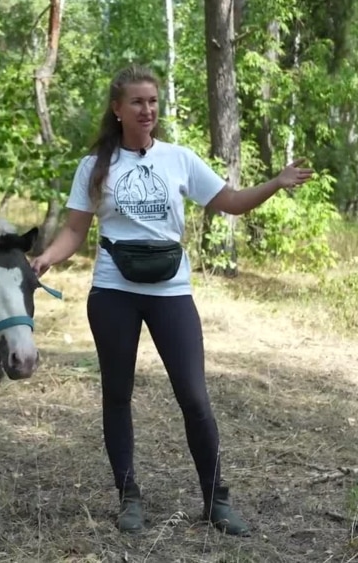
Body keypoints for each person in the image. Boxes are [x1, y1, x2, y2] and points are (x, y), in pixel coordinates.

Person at [30, 64, 315, 537]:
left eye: (153, 101)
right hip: (113, 293)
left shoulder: (179, 159)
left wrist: (275, 182)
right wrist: (46, 260)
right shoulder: (94, 166)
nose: (148, 110)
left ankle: (216, 500)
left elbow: (232, 202)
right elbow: (76, 230)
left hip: (170, 292)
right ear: (118, 109)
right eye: (138, 102)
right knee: (117, 396)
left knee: (194, 397)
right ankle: (129, 498)